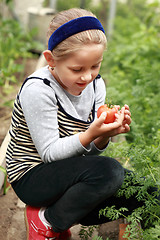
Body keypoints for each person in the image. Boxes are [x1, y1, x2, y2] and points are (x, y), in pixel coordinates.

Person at [6, 8, 133, 240]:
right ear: (51, 59)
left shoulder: (96, 86)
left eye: (95, 66)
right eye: (77, 69)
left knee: (141, 190)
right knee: (110, 171)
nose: (87, 77)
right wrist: (90, 133)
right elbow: (50, 154)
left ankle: (55, 216)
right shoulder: (39, 89)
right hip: (32, 176)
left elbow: (91, 152)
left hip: (69, 170)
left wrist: (105, 134)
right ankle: (47, 222)